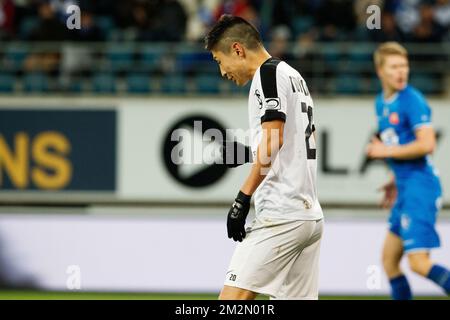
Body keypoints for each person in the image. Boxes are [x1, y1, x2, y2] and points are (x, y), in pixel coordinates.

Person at [204, 14, 324, 300]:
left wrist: (242, 199)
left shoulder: (266, 75)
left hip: (282, 216)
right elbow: (304, 138)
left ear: (237, 49)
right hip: (309, 217)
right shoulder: (294, 76)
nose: (223, 72)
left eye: (220, 61)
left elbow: (274, 139)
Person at [366, 42, 450, 299]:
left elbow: (427, 144)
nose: (401, 72)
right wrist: (394, 178)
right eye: (394, 67)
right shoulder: (381, 102)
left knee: (418, 263)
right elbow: (400, 144)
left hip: (420, 189)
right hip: (405, 188)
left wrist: (385, 153)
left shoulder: (412, 100)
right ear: (380, 71)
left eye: (404, 66)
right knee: (389, 261)